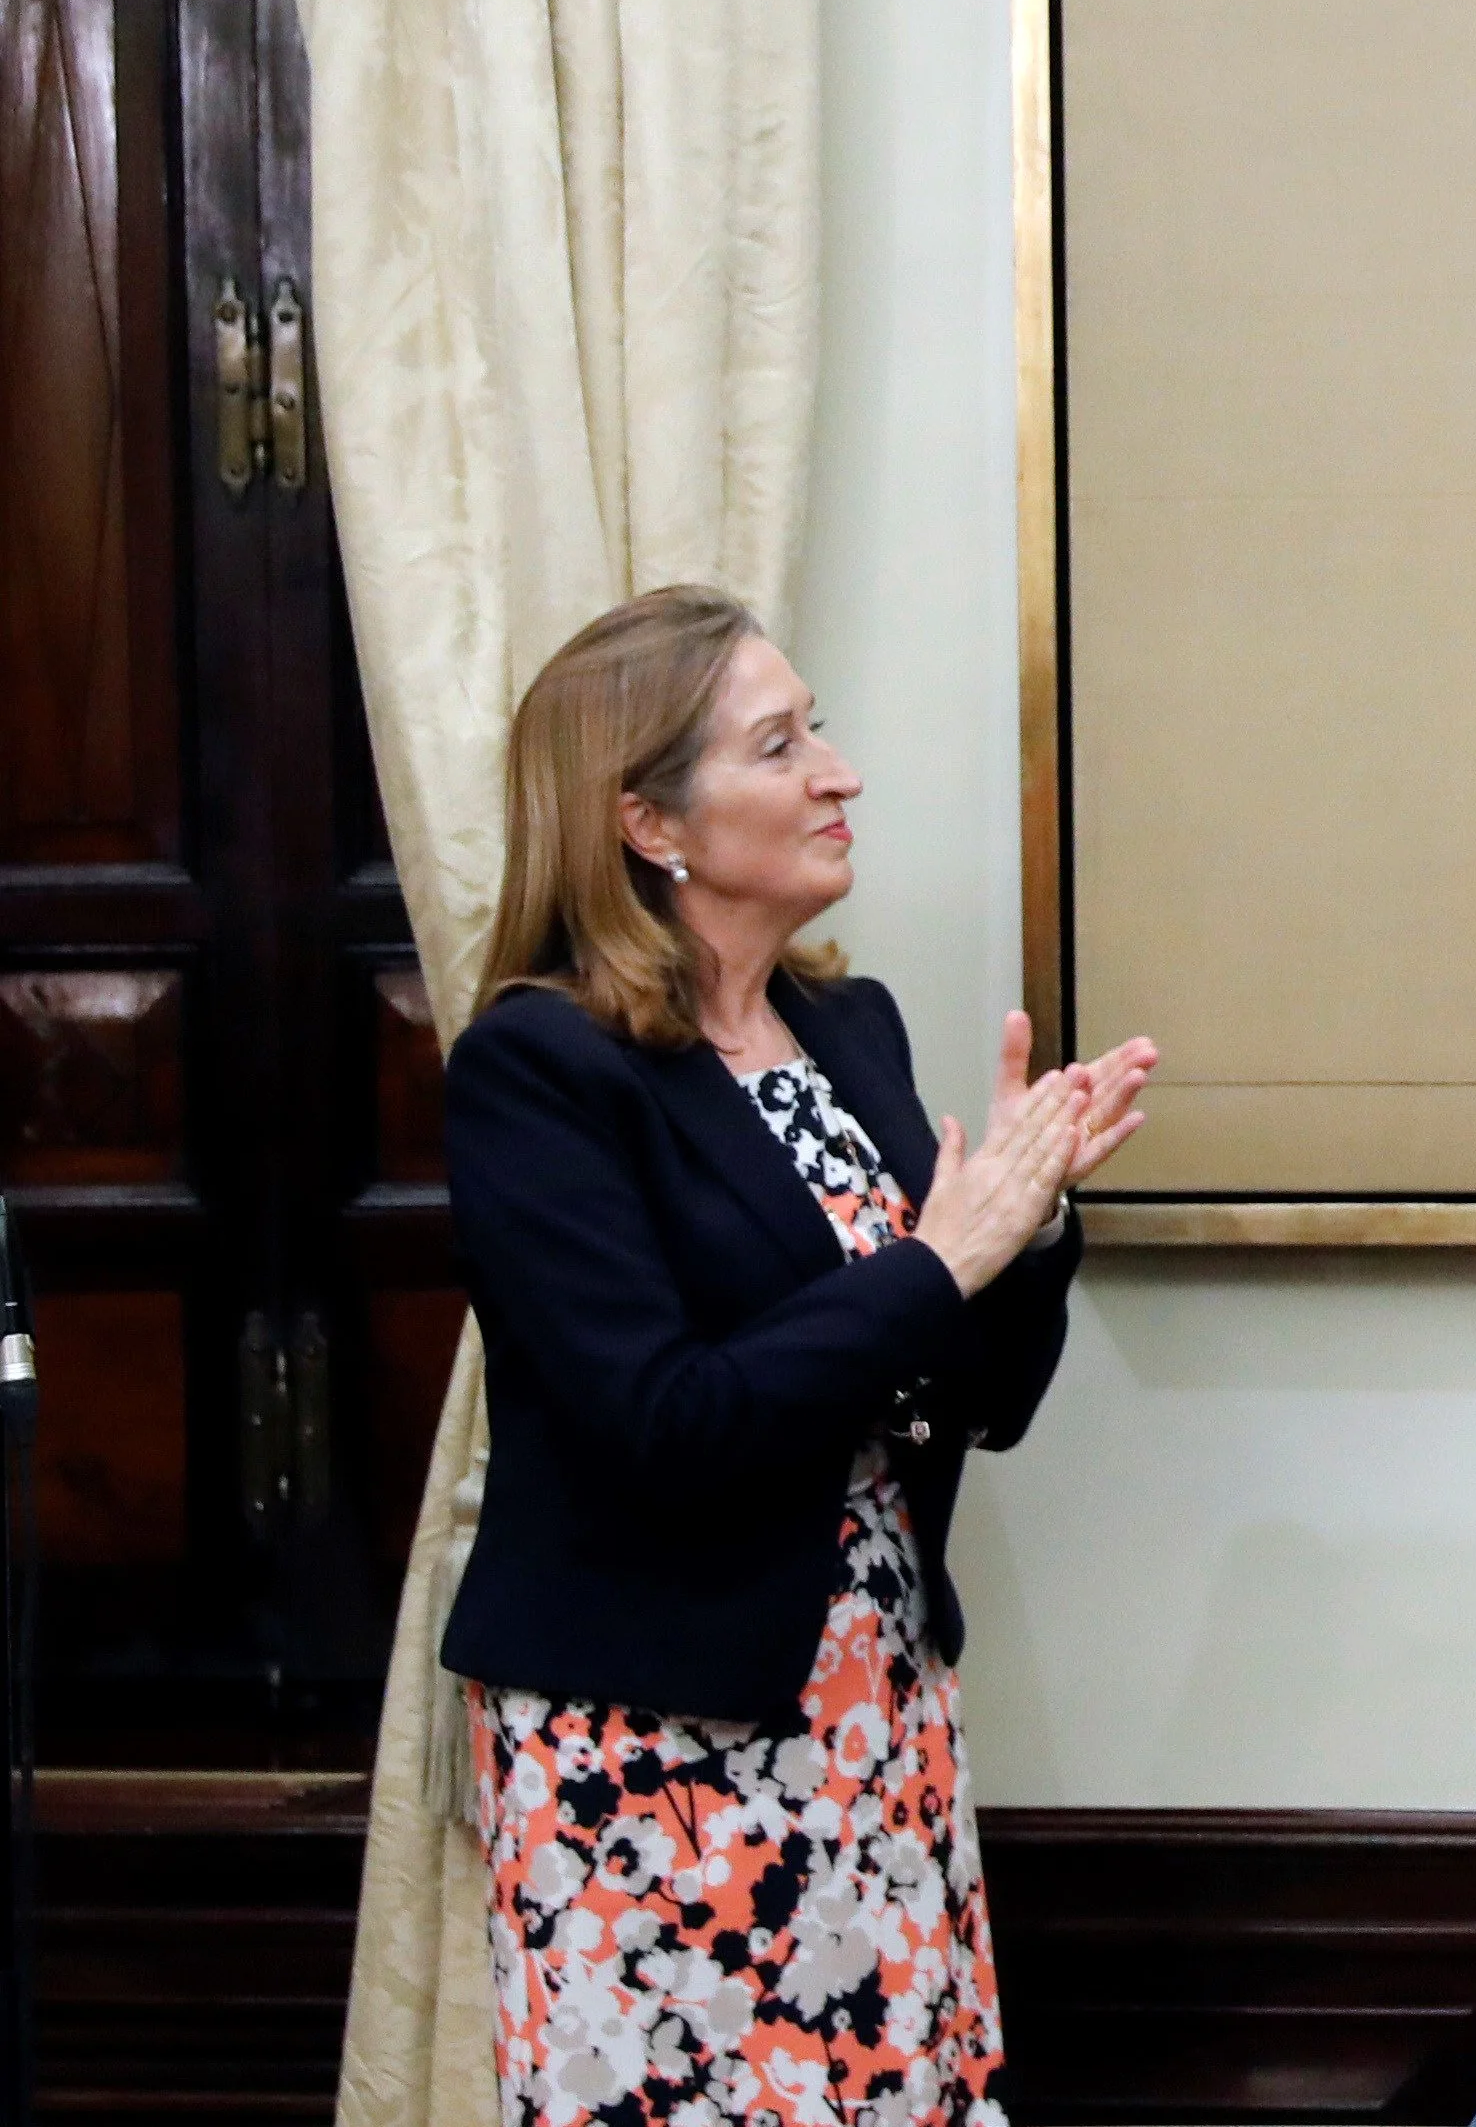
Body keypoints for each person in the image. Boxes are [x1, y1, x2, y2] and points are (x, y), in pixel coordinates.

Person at [437, 587, 1156, 2127]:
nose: (839, 771)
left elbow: (971, 1399)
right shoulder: (539, 1068)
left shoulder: (855, 1031)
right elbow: (665, 1420)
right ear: (649, 821)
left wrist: (1024, 1227)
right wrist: (938, 1258)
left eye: (817, 726)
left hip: (871, 1717)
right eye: (783, 743)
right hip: (655, 1760)